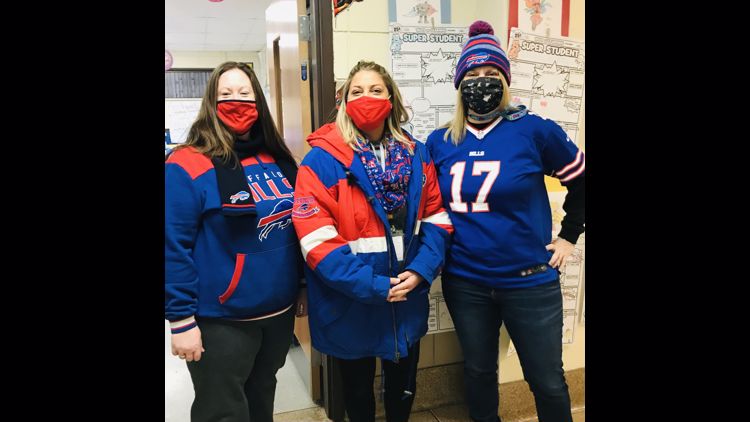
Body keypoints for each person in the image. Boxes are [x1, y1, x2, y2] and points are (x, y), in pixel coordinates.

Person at [426, 21, 585, 422]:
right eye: (474, 76)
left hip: (530, 281)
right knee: (479, 373)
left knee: (546, 379)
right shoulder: (440, 141)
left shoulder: (534, 131)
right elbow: (429, 206)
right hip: (467, 282)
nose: (482, 83)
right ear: (460, 84)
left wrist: (568, 237)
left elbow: (582, 183)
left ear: (505, 80)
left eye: (492, 75)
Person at [291, 60, 453, 422]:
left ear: (391, 99)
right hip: (351, 301)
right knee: (357, 395)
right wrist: (374, 285)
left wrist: (423, 270)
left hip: (406, 297)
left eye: (376, 90)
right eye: (357, 91)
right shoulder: (320, 162)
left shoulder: (417, 153)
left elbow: (437, 219)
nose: (367, 97)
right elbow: (316, 241)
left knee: (402, 391)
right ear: (344, 102)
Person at [165, 61, 307, 422]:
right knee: (223, 412)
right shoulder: (187, 163)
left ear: (258, 100)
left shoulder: (277, 157)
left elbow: (299, 227)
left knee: (261, 399)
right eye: (225, 94)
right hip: (222, 320)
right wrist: (180, 320)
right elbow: (172, 247)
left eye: (245, 94)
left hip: (278, 313)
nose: (236, 101)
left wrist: (302, 287)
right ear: (210, 103)